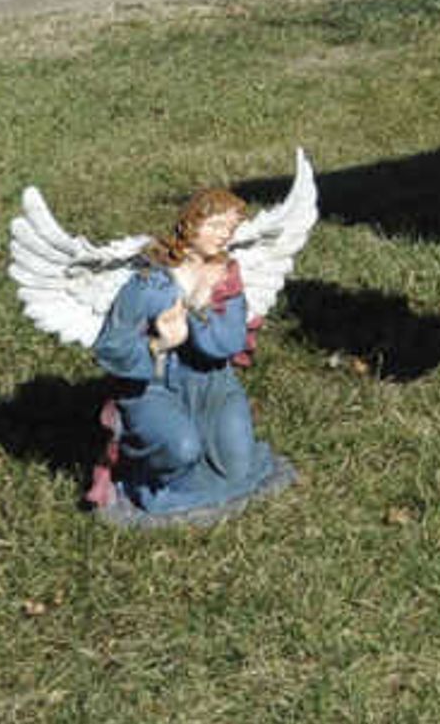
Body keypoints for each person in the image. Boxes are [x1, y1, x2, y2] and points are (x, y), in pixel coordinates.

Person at [87, 188, 294, 518]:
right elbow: (111, 347)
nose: (224, 236)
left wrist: (199, 310)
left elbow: (227, 343)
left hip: (212, 383)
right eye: (215, 226)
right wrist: (158, 345)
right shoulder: (149, 282)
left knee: (238, 467)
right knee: (182, 450)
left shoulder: (226, 278)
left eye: (230, 228)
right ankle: (143, 483)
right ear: (190, 225)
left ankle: (200, 479)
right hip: (153, 387)